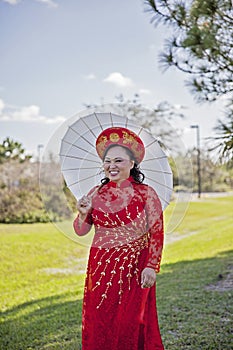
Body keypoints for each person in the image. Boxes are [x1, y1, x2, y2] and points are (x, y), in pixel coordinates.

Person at [73, 126, 164, 350]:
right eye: (107, 161)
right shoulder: (95, 193)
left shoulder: (146, 193)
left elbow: (157, 232)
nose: (111, 166)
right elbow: (81, 230)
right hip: (101, 266)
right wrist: (83, 214)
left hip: (135, 266)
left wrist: (152, 266)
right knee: (101, 317)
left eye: (118, 161)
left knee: (131, 321)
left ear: (132, 163)